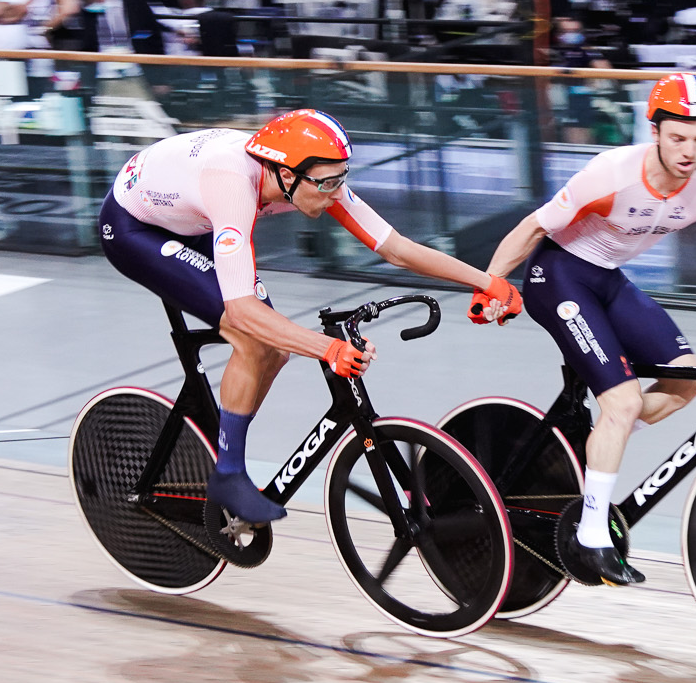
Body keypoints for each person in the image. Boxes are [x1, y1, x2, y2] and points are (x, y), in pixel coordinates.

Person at [101, 110, 520, 525]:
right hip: (137, 229)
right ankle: (228, 474)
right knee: (256, 339)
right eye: (325, 183)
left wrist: (486, 281)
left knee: (274, 350)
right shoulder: (233, 185)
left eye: (341, 179)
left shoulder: (309, 179)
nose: (334, 193)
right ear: (285, 174)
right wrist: (328, 348)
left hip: (197, 218)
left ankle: (225, 443)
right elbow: (242, 311)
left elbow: (394, 247)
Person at [481, 74, 696, 587]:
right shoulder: (611, 173)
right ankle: (590, 537)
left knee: (685, 381)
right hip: (558, 276)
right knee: (624, 401)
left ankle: (601, 434)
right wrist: (491, 284)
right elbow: (535, 227)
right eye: (677, 138)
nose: (690, 151)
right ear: (654, 131)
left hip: (607, 280)